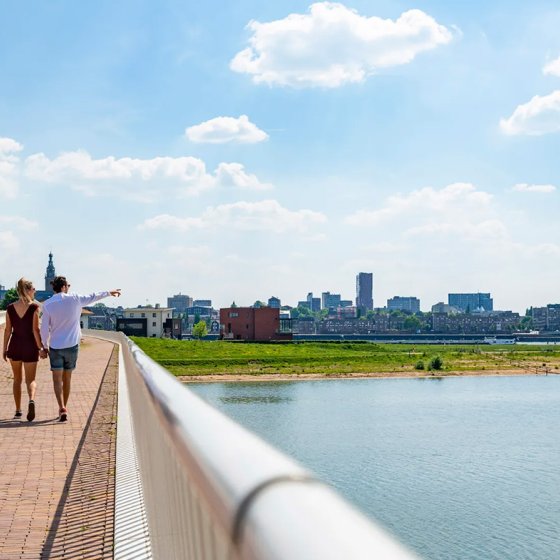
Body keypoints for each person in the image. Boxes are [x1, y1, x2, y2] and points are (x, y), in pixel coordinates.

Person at [40, 276, 121, 422]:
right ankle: (66, 406)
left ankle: (61, 407)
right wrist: (109, 292)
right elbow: (93, 296)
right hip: (72, 345)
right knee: (68, 378)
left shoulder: (47, 304)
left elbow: (44, 329)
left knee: (57, 379)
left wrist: (44, 347)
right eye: (68, 285)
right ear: (64, 286)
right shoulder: (75, 299)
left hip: (56, 346)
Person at [2, 278, 47, 421]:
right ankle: (31, 400)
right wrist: (41, 347)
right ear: (27, 290)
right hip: (30, 346)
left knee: (17, 380)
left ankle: (17, 410)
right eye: (33, 289)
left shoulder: (10, 308)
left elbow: (8, 330)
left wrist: (4, 349)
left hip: (14, 345)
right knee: (31, 380)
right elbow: (35, 330)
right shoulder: (34, 308)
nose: (35, 291)